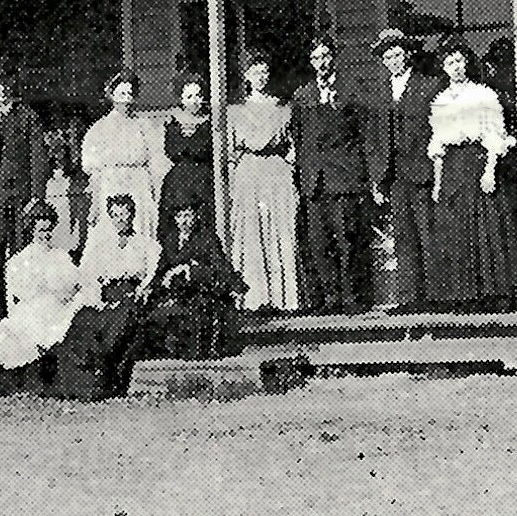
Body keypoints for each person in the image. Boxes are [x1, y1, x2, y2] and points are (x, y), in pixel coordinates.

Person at [428, 37, 517, 310]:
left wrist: (490, 169)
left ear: (467, 63)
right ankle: (464, 295)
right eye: (449, 62)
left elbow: (494, 133)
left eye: (459, 61)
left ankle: (497, 294)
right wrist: (437, 182)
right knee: (456, 230)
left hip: (477, 161)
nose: (455, 66)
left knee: (486, 227)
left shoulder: (483, 95)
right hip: (451, 168)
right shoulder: (441, 100)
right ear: (443, 67)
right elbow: (438, 143)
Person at [48, 192, 162, 400]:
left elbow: (154, 274)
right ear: (110, 217)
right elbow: (89, 276)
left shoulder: (145, 245)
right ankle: (81, 381)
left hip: (131, 297)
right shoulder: (101, 247)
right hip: (105, 297)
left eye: (124, 214)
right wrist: (97, 300)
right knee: (83, 319)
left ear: (132, 215)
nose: (120, 219)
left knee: (120, 320)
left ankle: (104, 370)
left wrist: (143, 289)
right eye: (115, 215)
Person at [364, 27, 445, 311]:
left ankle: (437, 298)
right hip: (394, 174)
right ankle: (410, 299)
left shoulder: (429, 86)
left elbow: (439, 130)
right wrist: (377, 179)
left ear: (408, 55)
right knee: (403, 236)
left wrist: (437, 169)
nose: (394, 61)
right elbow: (373, 139)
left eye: (398, 55)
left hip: (422, 171)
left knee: (428, 233)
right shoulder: (378, 92)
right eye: (388, 57)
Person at [290, 38, 371, 313]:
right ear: (311, 62)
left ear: (333, 58)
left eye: (325, 56)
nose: (321, 62)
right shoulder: (303, 95)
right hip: (314, 181)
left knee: (347, 239)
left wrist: (361, 175)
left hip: (343, 179)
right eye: (315, 57)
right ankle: (329, 299)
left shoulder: (350, 90)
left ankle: (352, 299)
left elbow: (363, 135)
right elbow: (299, 138)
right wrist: (303, 174)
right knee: (319, 242)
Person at [0, 200, 83, 391]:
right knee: (20, 338)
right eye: (41, 230)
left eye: (49, 229)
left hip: (60, 308)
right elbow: (19, 293)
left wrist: (63, 292)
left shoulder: (60, 256)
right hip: (34, 309)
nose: (46, 234)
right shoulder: (22, 260)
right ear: (32, 230)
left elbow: (74, 286)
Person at [0, 61, 51, 317]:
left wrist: (36, 198)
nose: (0, 88)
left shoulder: (26, 116)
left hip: (21, 201)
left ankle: (23, 314)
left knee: (22, 259)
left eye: (5, 82)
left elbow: (39, 158)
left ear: (12, 83)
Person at [229, 49, 299, 312]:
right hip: (249, 172)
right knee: (252, 232)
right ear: (246, 75)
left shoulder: (282, 107)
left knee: (279, 230)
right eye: (254, 72)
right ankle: (255, 298)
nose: (259, 77)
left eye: (263, 71)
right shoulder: (236, 110)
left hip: (276, 171)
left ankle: (284, 300)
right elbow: (232, 151)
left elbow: (291, 146)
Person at [140, 202, 247, 360]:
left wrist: (190, 269)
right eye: (180, 216)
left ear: (195, 217)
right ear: (175, 219)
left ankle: (194, 354)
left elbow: (220, 269)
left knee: (196, 314)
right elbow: (161, 270)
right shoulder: (170, 240)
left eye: (188, 216)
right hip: (175, 293)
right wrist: (151, 285)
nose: (183, 221)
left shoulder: (207, 239)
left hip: (201, 292)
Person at [81, 70, 160, 246]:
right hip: (111, 186)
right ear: (112, 95)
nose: (126, 99)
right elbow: (94, 171)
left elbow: (155, 162)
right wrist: (94, 204)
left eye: (129, 94)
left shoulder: (144, 126)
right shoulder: (99, 129)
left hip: (139, 187)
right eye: (121, 94)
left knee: (140, 230)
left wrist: (155, 195)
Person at [157, 75, 215, 229]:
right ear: (181, 99)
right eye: (189, 96)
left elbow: (205, 150)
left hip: (203, 179)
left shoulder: (211, 122)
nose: (194, 101)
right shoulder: (173, 122)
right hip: (178, 182)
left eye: (198, 95)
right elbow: (170, 150)